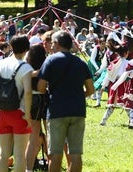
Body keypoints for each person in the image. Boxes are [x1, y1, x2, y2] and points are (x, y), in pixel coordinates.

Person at [37, 31, 95, 172]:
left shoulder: (50, 60)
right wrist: (79, 96)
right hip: (78, 110)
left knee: (55, 154)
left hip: (57, 110)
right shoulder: (80, 63)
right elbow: (91, 89)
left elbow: (40, 87)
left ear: (56, 44)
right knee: (75, 154)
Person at [0, 35, 33, 172]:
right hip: (20, 113)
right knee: (19, 156)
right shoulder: (25, 67)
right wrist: (28, 115)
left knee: (3, 154)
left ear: (11, 47)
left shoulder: (0, 64)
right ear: (26, 49)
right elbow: (28, 92)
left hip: (2, 112)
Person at [25, 43, 47, 172]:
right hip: (41, 99)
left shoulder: (25, 67)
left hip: (30, 100)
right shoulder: (44, 67)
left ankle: (28, 168)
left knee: (32, 138)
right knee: (46, 136)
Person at [100, 44, 129, 125]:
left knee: (112, 105)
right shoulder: (127, 63)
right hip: (122, 84)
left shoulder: (113, 62)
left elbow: (108, 75)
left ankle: (103, 120)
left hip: (113, 85)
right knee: (126, 103)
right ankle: (131, 119)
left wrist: (103, 85)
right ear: (126, 53)